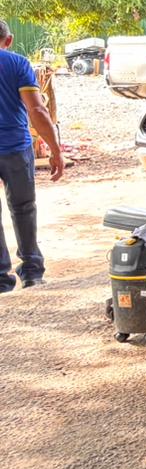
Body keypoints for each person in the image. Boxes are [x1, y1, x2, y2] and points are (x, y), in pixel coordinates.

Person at [0, 20, 64, 293]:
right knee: (24, 208)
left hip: (15, 146)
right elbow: (37, 110)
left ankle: (2, 279)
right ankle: (32, 273)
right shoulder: (17, 64)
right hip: (15, 148)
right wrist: (55, 150)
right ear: (9, 39)